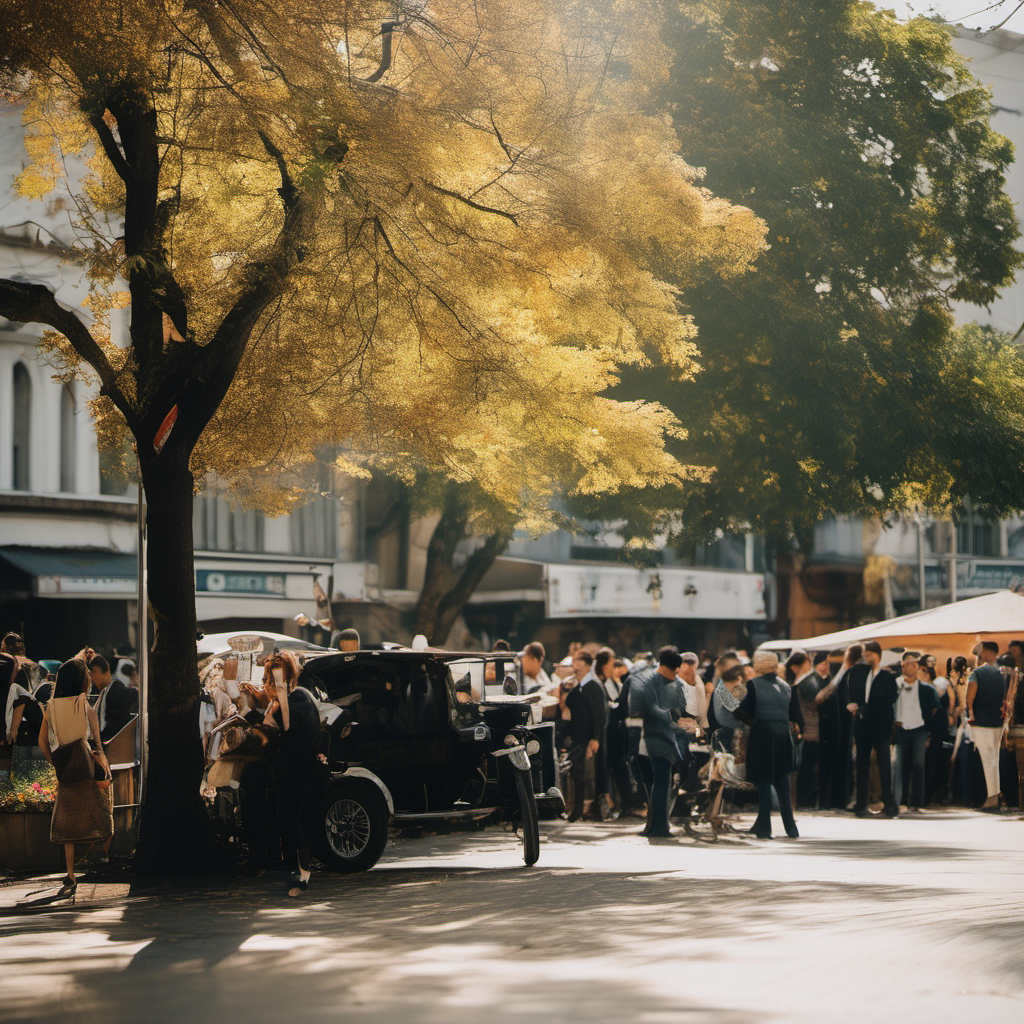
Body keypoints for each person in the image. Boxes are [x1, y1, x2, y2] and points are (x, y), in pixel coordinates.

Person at [38, 659, 113, 897]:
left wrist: (55, 760)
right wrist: (101, 759)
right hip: (85, 764)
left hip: (65, 767)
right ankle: (100, 854)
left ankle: (70, 874)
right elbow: (97, 742)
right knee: (103, 810)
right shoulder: (83, 703)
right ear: (82, 680)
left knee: (68, 819)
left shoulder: (50, 706)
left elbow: (42, 742)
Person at [261, 650, 323, 896]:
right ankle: (300, 872)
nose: (269, 684)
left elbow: (287, 728)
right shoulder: (301, 696)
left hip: (299, 768)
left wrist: (278, 700)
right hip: (301, 767)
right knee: (292, 819)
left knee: (292, 820)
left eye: (272, 679)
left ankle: (303, 875)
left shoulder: (293, 700)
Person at [736, 651, 803, 839]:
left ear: (758, 666)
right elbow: (795, 714)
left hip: (763, 733)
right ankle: (791, 828)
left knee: (763, 780)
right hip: (784, 735)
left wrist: (739, 713)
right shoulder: (787, 687)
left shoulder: (754, 684)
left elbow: (745, 711)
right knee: (782, 779)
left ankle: (764, 827)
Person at [629, 646, 694, 837]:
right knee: (660, 782)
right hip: (655, 737)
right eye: (674, 670)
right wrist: (671, 716)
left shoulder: (676, 684)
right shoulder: (650, 682)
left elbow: (681, 707)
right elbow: (649, 708)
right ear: (666, 667)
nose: (676, 674)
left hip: (672, 737)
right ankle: (659, 826)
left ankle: (658, 824)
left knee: (663, 783)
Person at [842, 640, 899, 818]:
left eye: (870, 655)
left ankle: (889, 805)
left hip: (881, 725)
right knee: (862, 764)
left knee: (884, 765)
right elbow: (847, 689)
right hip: (862, 723)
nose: (867, 658)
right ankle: (861, 805)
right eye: (865, 655)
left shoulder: (887, 677)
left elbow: (889, 700)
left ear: (878, 656)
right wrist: (850, 704)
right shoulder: (858, 673)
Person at [563, 650, 607, 821]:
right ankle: (577, 810)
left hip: (587, 739)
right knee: (576, 773)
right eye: (573, 661)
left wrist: (595, 737)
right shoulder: (578, 686)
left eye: (578, 661)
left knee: (585, 775)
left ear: (588, 665)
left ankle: (583, 810)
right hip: (578, 737)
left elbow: (599, 714)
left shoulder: (593, 686)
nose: (574, 664)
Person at [892, 652, 937, 811]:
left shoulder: (926, 689)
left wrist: (927, 729)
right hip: (901, 728)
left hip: (919, 728)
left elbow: (933, 708)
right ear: (902, 664)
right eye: (909, 663)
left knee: (918, 765)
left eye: (915, 664)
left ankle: (917, 802)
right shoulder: (894, 684)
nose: (912, 667)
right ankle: (901, 801)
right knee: (900, 765)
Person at [967, 641, 1007, 811]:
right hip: (999, 721)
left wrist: (970, 710)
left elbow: (971, 693)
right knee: (996, 760)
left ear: (986, 652)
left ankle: (991, 798)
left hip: (981, 721)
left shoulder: (977, 673)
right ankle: (997, 795)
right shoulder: (1004, 672)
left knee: (986, 759)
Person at [88, 655, 138, 743]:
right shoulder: (104, 693)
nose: (92, 677)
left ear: (107, 672)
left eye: (95, 672)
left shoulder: (116, 689)